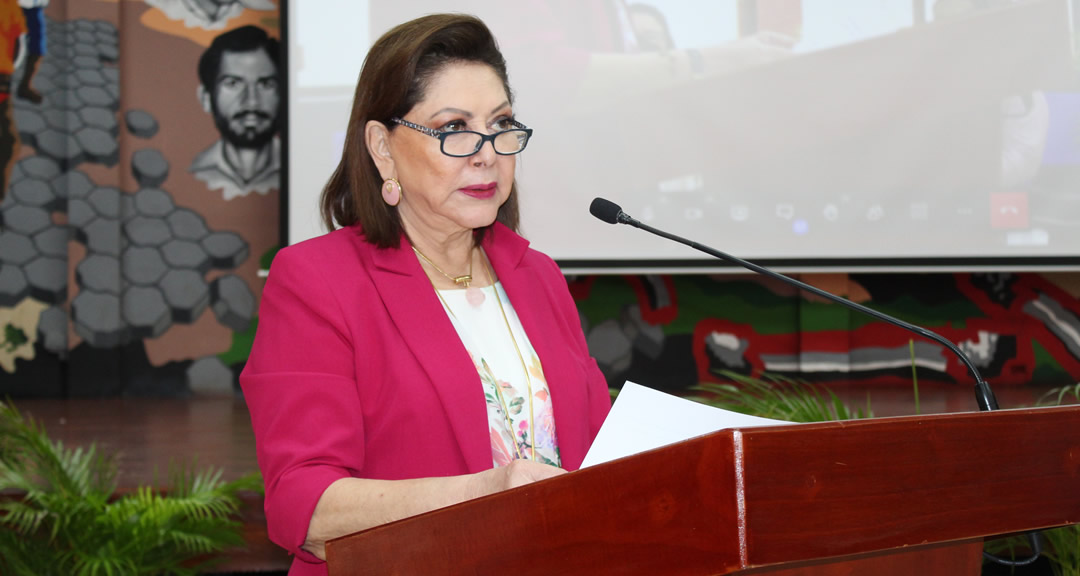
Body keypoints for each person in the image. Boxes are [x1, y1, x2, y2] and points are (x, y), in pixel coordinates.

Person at [240, 13, 611, 576]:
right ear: (382, 148)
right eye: (455, 129)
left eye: (501, 125)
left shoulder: (537, 276)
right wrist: (488, 493)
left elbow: (598, 457)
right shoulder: (317, 282)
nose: (487, 153)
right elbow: (305, 508)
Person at [190, 24, 281, 200]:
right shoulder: (194, 171)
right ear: (206, 98)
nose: (251, 100)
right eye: (233, 84)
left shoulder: (303, 166)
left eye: (266, 84)